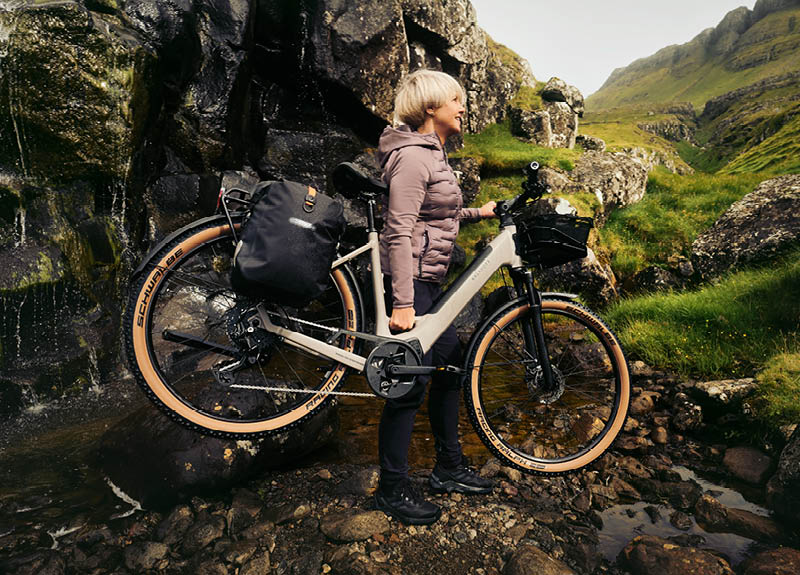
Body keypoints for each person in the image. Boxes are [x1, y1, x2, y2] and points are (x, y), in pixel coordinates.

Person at [373, 69, 497, 525]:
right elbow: (399, 232)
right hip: (414, 284)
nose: (463, 106)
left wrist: (477, 212)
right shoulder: (412, 157)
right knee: (409, 384)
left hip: (429, 280)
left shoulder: (432, 153)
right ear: (431, 107)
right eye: (456, 99)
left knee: (450, 366)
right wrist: (403, 304)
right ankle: (391, 488)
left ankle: (447, 469)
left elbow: (436, 212)